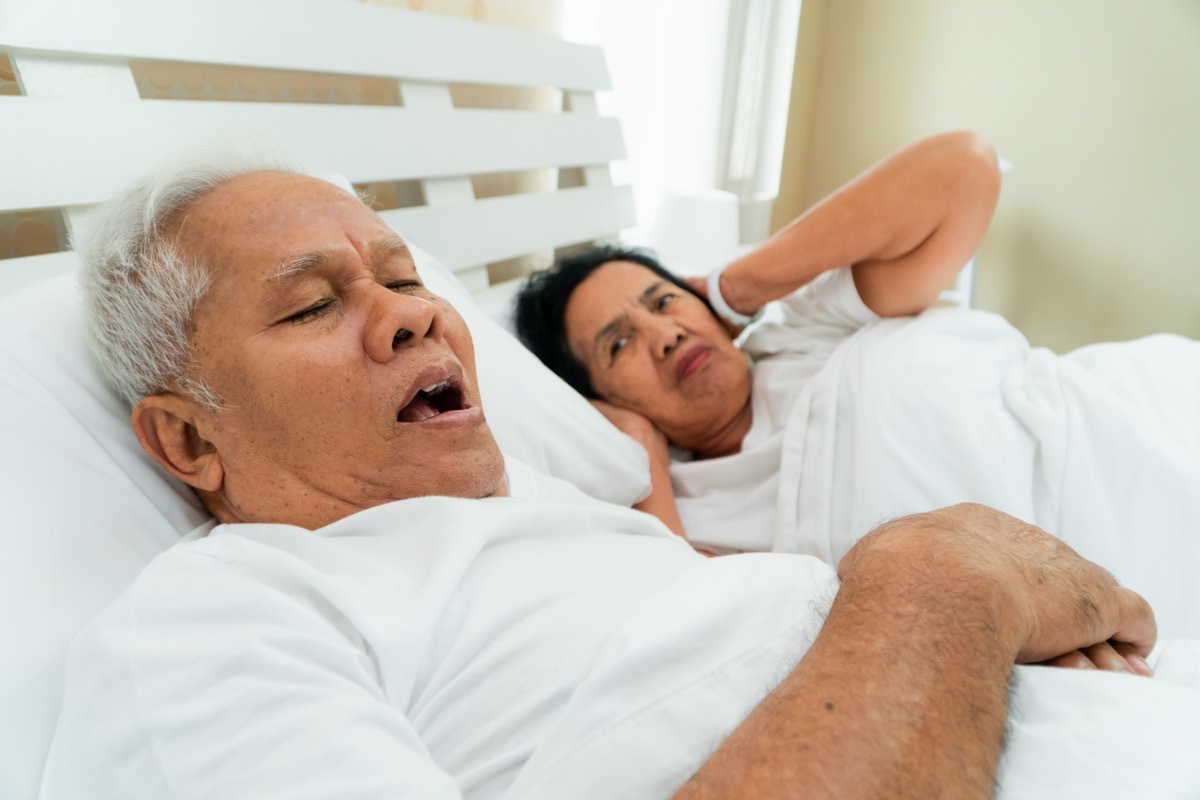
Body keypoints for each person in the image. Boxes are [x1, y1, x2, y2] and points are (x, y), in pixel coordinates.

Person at [39, 143, 1182, 799]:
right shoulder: (217, 622)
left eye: (404, 277)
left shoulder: (549, 517)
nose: (416, 318)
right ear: (191, 440)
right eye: (311, 301)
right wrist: (939, 585)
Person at [513, 131, 1200, 638]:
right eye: (619, 343)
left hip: (1130, 419)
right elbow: (693, 623)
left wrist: (739, 285)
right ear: (600, 397)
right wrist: (639, 452)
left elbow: (965, 170)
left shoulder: (801, 330)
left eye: (664, 301)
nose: (664, 334)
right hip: (1085, 557)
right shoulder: (685, 513)